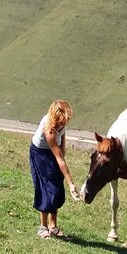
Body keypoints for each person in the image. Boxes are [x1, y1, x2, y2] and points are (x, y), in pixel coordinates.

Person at [30, 99, 80, 238]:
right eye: (60, 121)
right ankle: (43, 227)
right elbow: (59, 159)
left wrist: (63, 148)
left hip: (54, 152)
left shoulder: (62, 123)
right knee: (46, 188)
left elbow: (62, 142)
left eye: (65, 122)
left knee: (57, 188)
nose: (63, 124)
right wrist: (71, 184)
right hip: (40, 154)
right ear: (55, 117)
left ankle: (53, 226)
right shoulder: (49, 128)